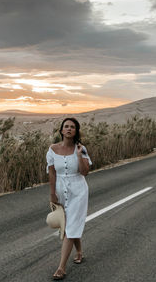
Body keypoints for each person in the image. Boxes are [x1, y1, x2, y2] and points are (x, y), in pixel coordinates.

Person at [46, 117, 92, 280]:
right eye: (66, 126)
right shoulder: (52, 149)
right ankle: (79, 251)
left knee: (70, 228)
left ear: (76, 131)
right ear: (61, 130)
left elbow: (85, 172)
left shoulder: (81, 148)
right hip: (60, 189)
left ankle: (61, 267)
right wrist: (52, 193)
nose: (69, 129)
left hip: (78, 190)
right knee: (68, 224)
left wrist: (79, 156)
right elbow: (51, 172)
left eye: (72, 127)